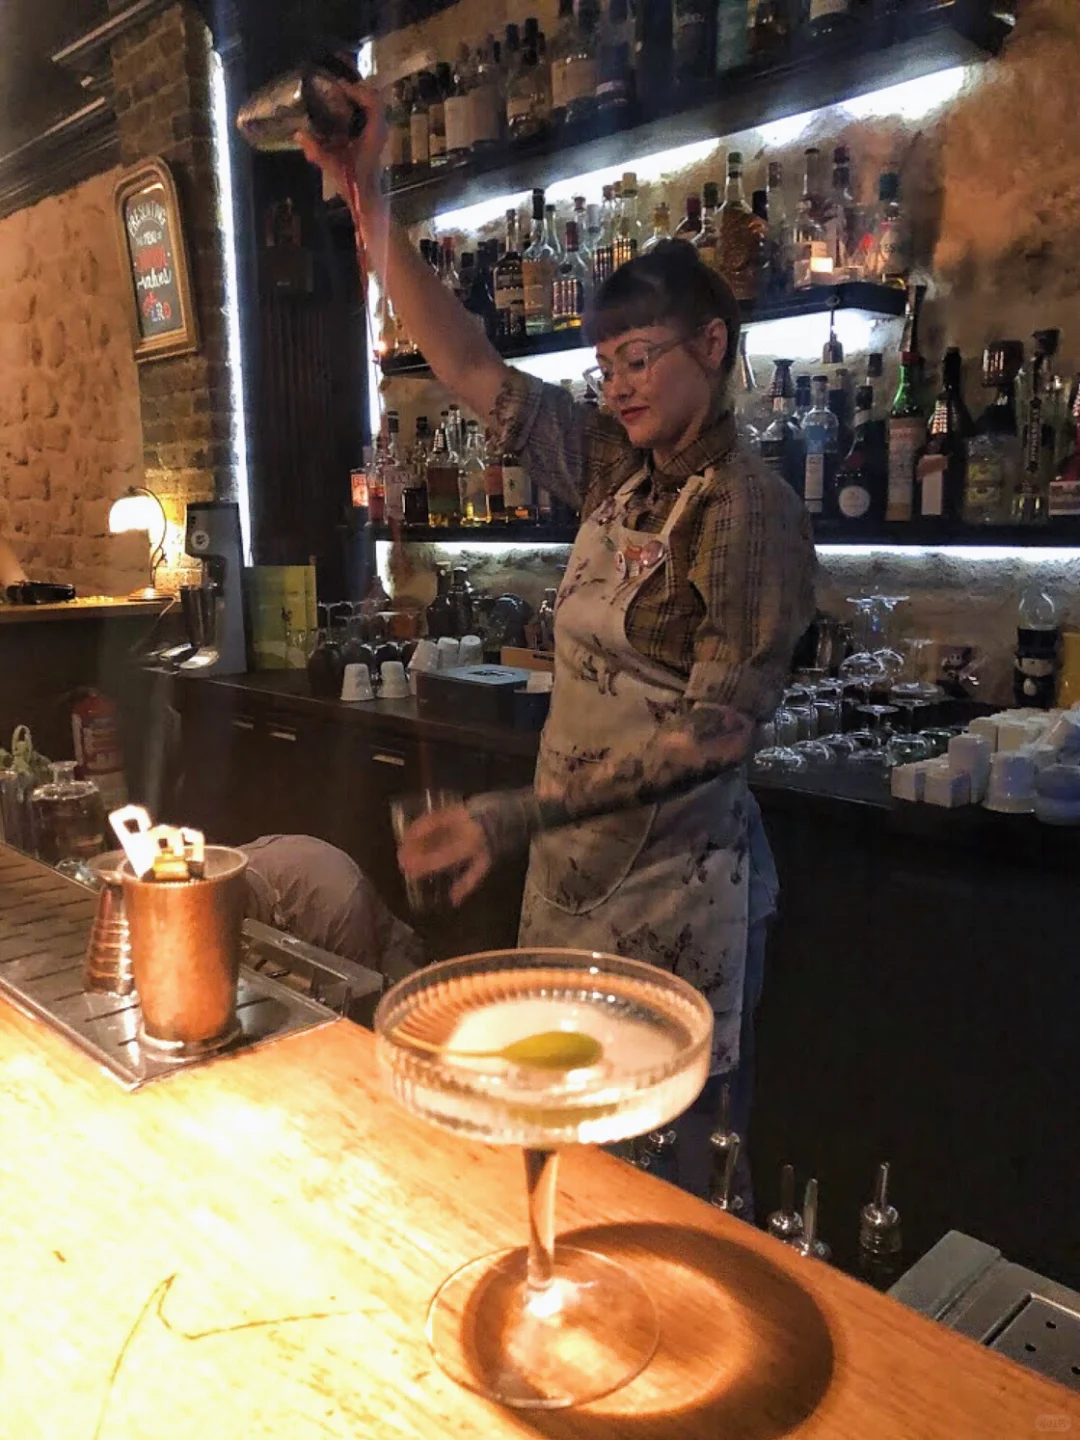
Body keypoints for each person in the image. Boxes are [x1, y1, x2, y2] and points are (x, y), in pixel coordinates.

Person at [300, 87, 816, 1210]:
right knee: (568, 1169)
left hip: (678, 897)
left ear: (713, 347)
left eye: (641, 358)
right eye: (608, 364)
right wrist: (368, 197)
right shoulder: (609, 469)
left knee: (670, 1189)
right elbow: (472, 363)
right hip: (576, 890)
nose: (620, 384)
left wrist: (516, 814)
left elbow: (714, 737)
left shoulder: (748, 512)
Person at [240, 834, 425, 984]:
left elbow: (360, 994)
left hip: (387, 963)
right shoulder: (222, 870)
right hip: (306, 956)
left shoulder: (335, 901)